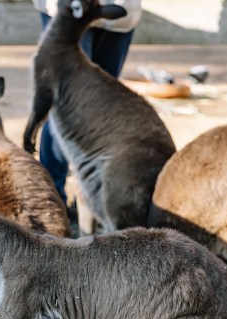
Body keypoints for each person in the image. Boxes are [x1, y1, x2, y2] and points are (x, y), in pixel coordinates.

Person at [32, 0, 142, 205]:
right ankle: (51, 201)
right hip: (69, 10)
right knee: (64, 102)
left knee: (102, 105)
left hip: (119, 13)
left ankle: (91, 204)